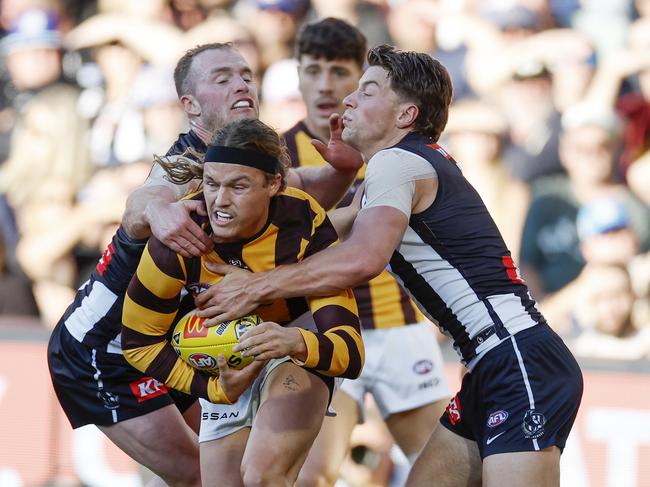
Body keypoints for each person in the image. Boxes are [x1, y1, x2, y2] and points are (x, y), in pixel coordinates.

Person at [196, 45, 584, 486]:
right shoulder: (403, 165)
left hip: (518, 358)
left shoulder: (397, 163)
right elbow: (326, 231)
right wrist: (338, 177)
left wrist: (255, 287)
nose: (348, 100)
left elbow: (362, 259)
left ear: (405, 115)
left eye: (368, 91)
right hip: (494, 362)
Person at [47, 41, 362, 486]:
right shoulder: (182, 167)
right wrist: (160, 213)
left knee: (222, 474)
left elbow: (298, 191)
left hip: (181, 337)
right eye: (223, 78)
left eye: (246, 75)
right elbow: (146, 199)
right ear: (189, 106)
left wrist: (344, 173)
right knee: (200, 477)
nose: (242, 85)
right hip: (106, 349)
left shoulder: (243, 159)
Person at [122, 118, 364, 486]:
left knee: (264, 475)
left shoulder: (303, 220)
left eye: (238, 186)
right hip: (224, 360)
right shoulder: (179, 239)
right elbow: (138, 343)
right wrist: (214, 388)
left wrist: (295, 341)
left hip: (296, 343)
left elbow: (350, 349)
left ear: (274, 184)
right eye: (212, 183)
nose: (219, 201)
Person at [284, 19, 450, 486]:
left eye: (339, 72)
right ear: (297, 74)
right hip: (327, 325)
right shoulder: (278, 155)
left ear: (362, 80)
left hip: (401, 327)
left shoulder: (395, 144)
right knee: (314, 474)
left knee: (438, 472)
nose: (324, 85)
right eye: (312, 70)